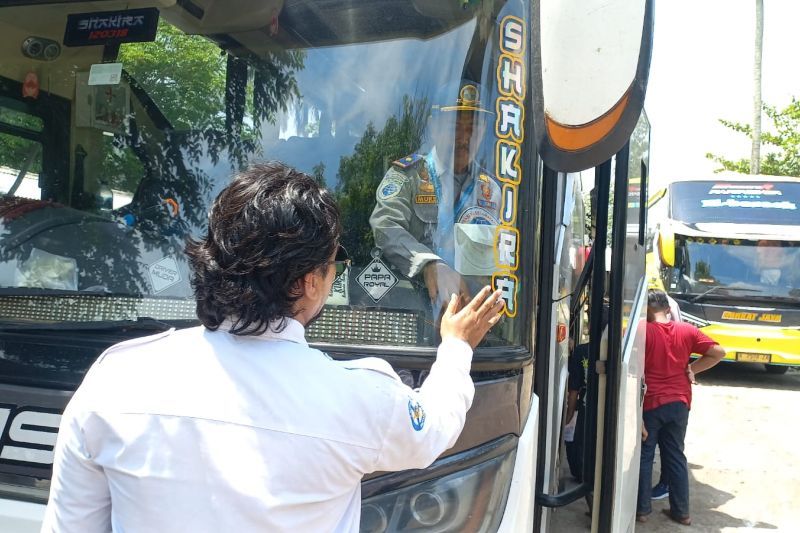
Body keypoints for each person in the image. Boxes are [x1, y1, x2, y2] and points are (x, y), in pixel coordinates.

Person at [42, 162, 505, 532]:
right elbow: (434, 429)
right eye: (333, 264)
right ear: (309, 283)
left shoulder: (116, 380)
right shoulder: (359, 399)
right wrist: (456, 346)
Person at [370, 80, 500, 319]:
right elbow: (385, 225)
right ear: (434, 127)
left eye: (473, 128)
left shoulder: (490, 189)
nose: (464, 138)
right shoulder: (409, 175)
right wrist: (428, 264)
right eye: (455, 127)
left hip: (472, 318)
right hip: (416, 313)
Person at [637, 289, 725, 526]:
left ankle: (642, 511)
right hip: (680, 403)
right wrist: (692, 370)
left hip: (651, 403)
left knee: (646, 455)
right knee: (675, 455)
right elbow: (718, 353)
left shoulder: (641, 332)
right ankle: (682, 512)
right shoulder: (688, 331)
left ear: (645, 311)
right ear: (668, 309)